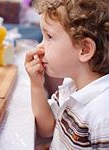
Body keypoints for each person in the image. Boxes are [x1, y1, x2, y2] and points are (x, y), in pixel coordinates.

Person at [25, 0, 109, 149]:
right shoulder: (70, 85)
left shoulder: (103, 117)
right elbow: (47, 129)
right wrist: (36, 84)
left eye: (49, 37)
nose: (40, 47)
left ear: (84, 49)